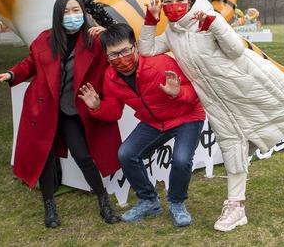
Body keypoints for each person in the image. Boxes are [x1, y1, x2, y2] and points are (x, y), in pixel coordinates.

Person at [139, 0, 284, 232]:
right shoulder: (172, 34)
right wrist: (150, 20)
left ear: (190, 0)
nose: (173, 5)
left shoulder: (209, 18)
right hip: (217, 100)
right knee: (231, 146)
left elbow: (236, 50)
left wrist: (214, 24)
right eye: (167, 1)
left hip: (246, 79)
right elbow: (146, 49)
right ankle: (236, 207)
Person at [0, 0, 120, 228]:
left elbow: (123, 47)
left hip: (71, 111)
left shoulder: (95, 40)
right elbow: (30, 64)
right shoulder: (45, 40)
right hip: (44, 109)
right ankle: (49, 206)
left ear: (83, 12)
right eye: (66, 12)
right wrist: (11, 74)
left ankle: (104, 202)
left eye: (76, 10)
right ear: (58, 16)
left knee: (83, 156)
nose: (72, 16)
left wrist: (107, 33)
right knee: (45, 158)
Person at [78, 23, 206, 227]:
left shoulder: (160, 63)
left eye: (125, 51)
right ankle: (148, 201)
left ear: (135, 46)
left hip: (187, 115)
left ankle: (176, 203)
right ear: (106, 56)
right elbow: (114, 112)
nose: (121, 58)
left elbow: (197, 91)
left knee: (181, 159)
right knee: (126, 153)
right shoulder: (110, 78)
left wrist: (178, 93)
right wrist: (97, 106)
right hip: (154, 122)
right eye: (114, 54)